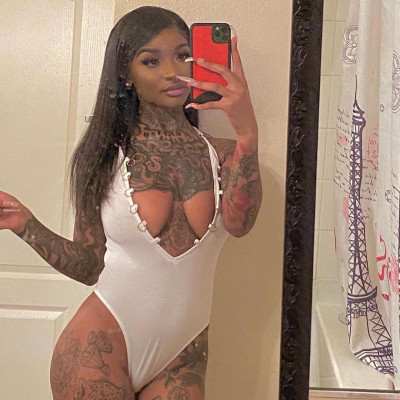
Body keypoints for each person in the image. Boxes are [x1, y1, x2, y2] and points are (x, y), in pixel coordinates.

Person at [0, 6, 261, 400]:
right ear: (126, 73)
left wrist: (247, 133)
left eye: (182, 55)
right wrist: (25, 224)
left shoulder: (223, 154)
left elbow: (241, 224)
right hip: (97, 351)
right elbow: (89, 266)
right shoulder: (104, 157)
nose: (172, 71)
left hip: (183, 357)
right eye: (151, 60)